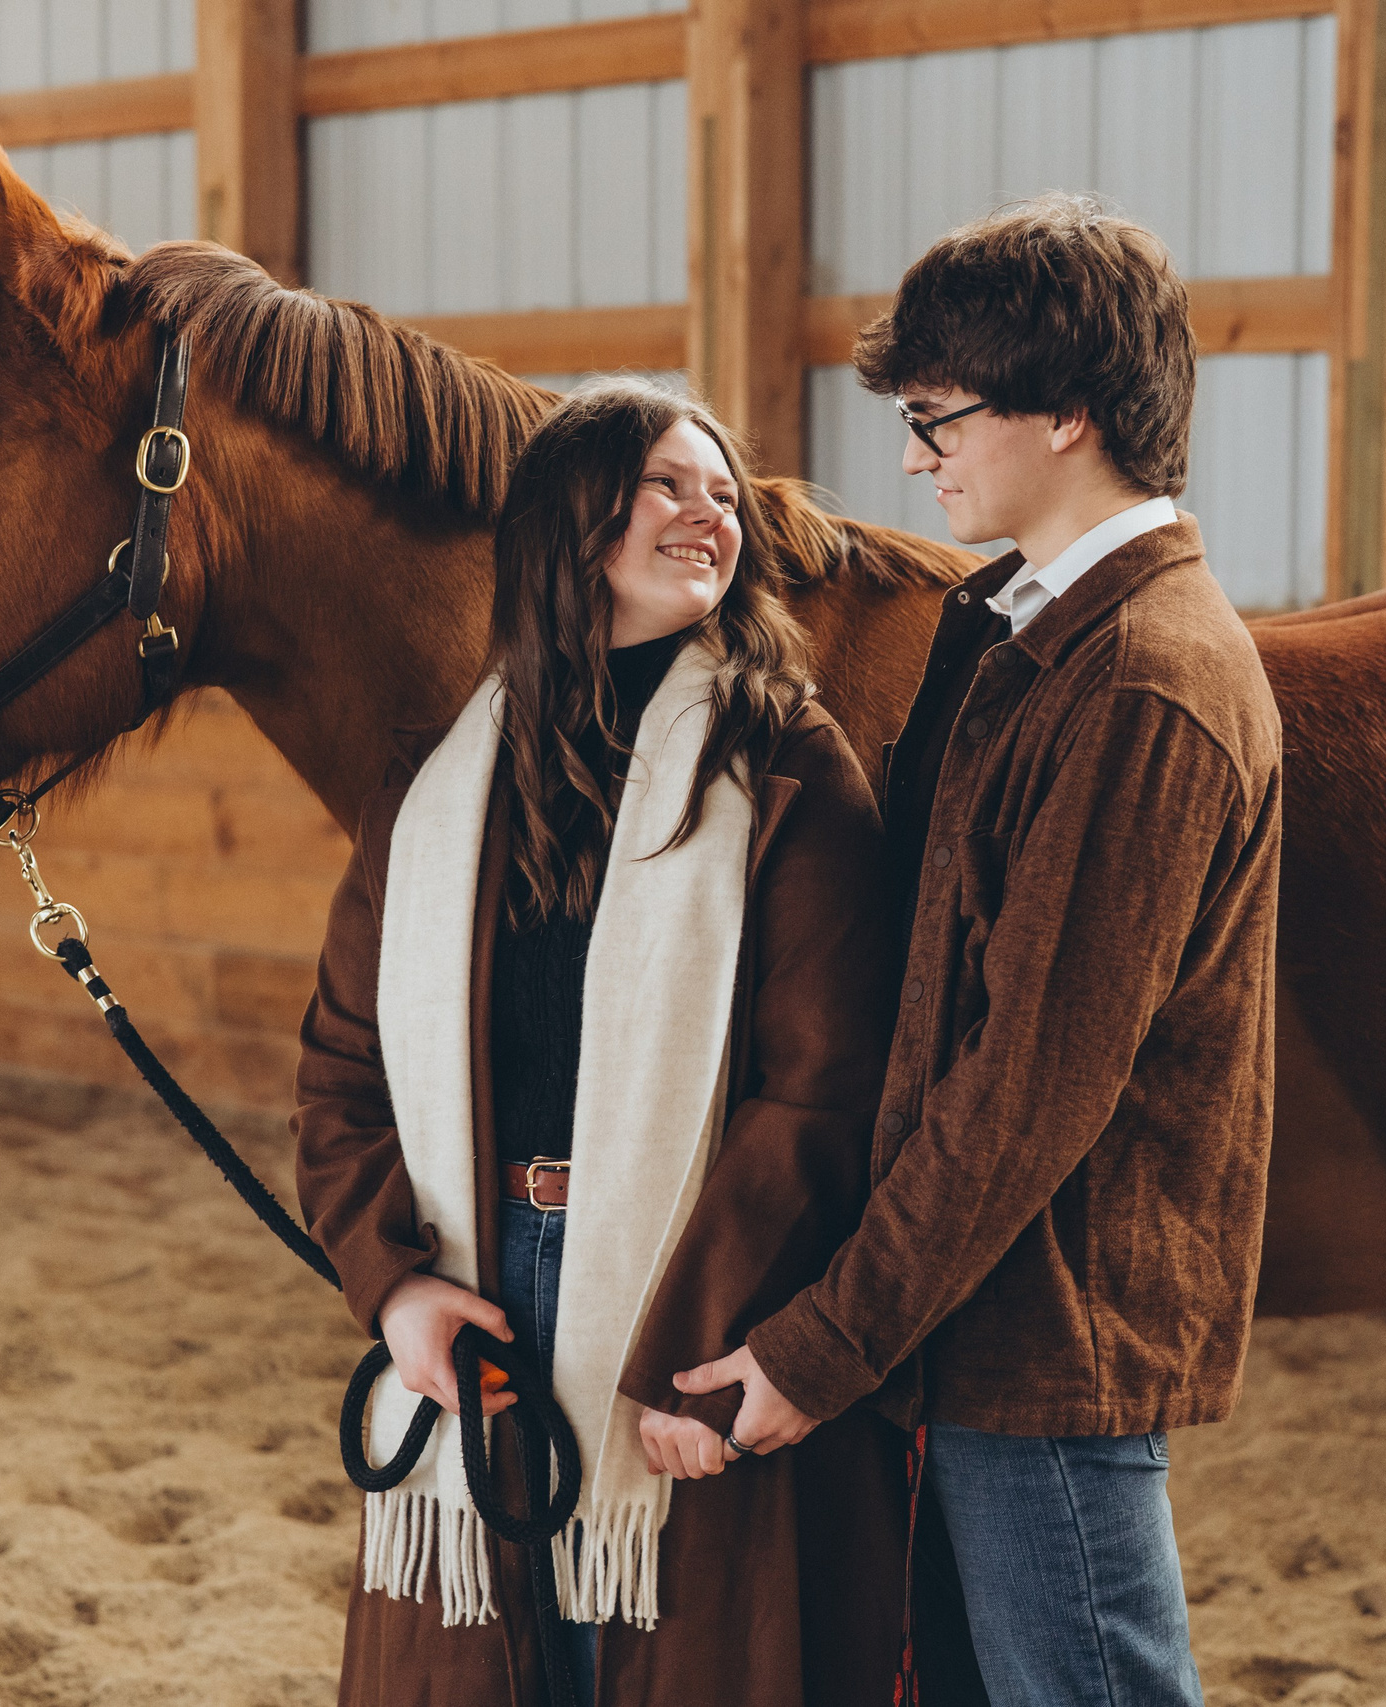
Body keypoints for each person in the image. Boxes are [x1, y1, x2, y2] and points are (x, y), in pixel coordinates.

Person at [679, 195, 1285, 1706]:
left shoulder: (1146, 684)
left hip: (1042, 1340)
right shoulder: (1028, 634)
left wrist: (824, 1347)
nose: (911, 455)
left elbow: (1026, 1086)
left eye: (938, 415)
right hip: (968, 1323)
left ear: (1068, 411)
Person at [292, 379, 910, 1707]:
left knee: (663, 1654)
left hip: (693, 1288)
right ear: (574, 522)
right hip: (475, 1285)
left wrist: (686, 1352)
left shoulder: (790, 777)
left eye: (725, 494)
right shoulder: (436, 788)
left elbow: (821, 1095)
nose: (710, 514)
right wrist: (393, 1291)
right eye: (669, 485)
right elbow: (345, 1073)